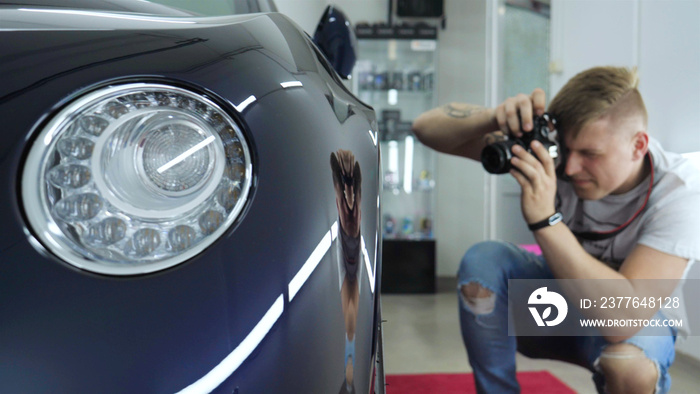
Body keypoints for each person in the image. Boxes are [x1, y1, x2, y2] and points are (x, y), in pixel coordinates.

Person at [412, 66, 700, 394]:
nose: (572, 167)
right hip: (553, 310)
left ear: (638, 145)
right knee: (484, 260)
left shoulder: (680, 190)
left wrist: (546, 221)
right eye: (567, 150)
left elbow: (625, 319)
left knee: (629, 366)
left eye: (590, 154)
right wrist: (495, 118)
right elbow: (425, 129)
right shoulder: (556, 157)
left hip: (622, 323)